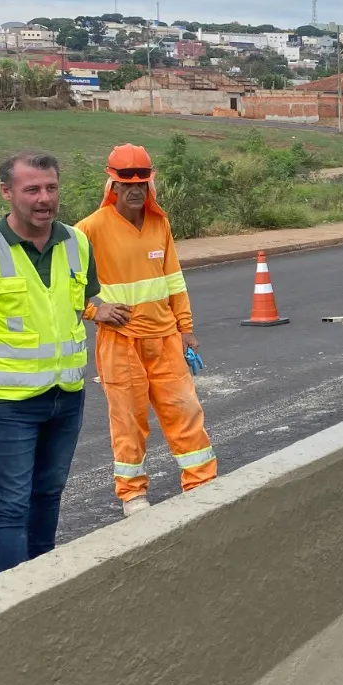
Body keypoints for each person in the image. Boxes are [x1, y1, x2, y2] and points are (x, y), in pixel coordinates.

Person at [0, 151, 123, 573]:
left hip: (67, 397)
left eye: (51, 188)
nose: (45, 198)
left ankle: (40, 581)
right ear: (7, 192)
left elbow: (77, 302)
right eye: (32, 189)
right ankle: (10, 596)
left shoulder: (78, 243)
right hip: (12, 403)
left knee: (49, 493)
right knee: (11, 503)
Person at [76, 144, 216, 515]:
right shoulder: (89, 230)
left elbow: (174, 280)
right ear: (113, 185)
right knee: (128, 419)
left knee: (185, 411)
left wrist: (185, 329)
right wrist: (95, 310)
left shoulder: (160, 224)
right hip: (120, 342)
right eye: (128, 182)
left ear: (150, 183)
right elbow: (67, 285)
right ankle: (132, 493)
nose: (136, 189)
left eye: (143, 182)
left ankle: (201, 482)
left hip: (166, 339)